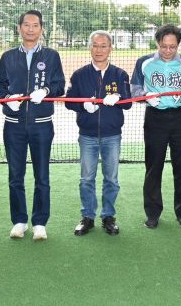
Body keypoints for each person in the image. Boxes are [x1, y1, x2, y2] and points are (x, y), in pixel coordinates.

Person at [0, 10, 65, 241]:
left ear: (41, 29)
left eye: (35, 25)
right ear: (19, 28)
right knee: (16, 175)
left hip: (42, 125)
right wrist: (7, 99)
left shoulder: (51, 56)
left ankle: (40, 223)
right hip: (13, 125)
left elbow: (60, 85)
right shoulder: (8, 57)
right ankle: (19, 221)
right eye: (26, 25)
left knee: (42, 176)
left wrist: (45, 91)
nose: (30, 29)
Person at [131, 24, 181, 230]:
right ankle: (152, 214)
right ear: (157, 43)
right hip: (155, 118)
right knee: (154, 167)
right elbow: (134, 89)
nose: (168, 51)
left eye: (172, 47)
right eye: (163, 46)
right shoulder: (144, 62)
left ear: (178, 45)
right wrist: (146, 96)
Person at [64, 30, 132, 236]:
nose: (99, 50)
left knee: (111, 179)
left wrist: (118, 97)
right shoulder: (79, 74)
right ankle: (88, 217)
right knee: (86, 178)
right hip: (87, 135)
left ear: (110, 48)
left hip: (112, 135)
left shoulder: (120, 74)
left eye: (104, 46)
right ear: (90, 47)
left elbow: (128, 103)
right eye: (95, 45)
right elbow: (68, 101)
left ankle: (108, 216)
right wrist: (83, 105)